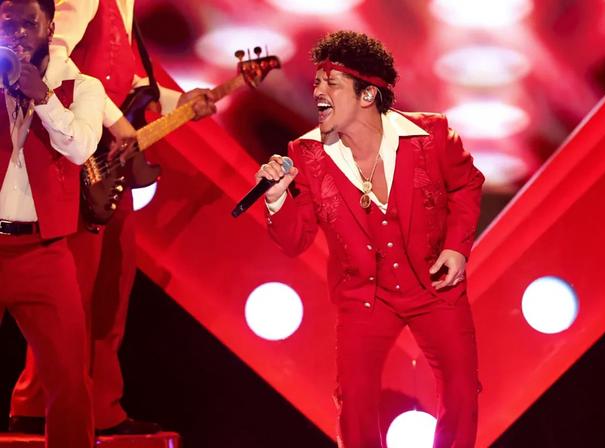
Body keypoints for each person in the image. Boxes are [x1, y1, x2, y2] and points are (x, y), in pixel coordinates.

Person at [257, 30, 484, 448]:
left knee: (461, 389)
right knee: (355, 399)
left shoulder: (431, 135)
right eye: (316, 82)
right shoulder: (306, 155)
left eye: (331, 83)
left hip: (432, 286)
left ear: (367, 95)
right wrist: (276, 200)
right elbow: (295, 240)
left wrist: (456, 247)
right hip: (364, 293)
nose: (318, 91)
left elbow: (467, 184)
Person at [8, 0, 217, 436]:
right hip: (73, 170)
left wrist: (183, 102)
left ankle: (99, 405)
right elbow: (54, 53)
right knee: (79, 295)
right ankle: (35, 402)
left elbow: (128, 83)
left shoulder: (123, 11)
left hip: (94, 171)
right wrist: (114, 121)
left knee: (109, 287)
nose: (19, 28)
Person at [0, 0, 106, 445]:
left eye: (30, 23)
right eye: (9, 22)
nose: (19, 32)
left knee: (68, 379)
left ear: (50, 27)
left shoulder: (81, 85)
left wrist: (42, 98)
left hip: (44, 253)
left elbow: (81, 148)